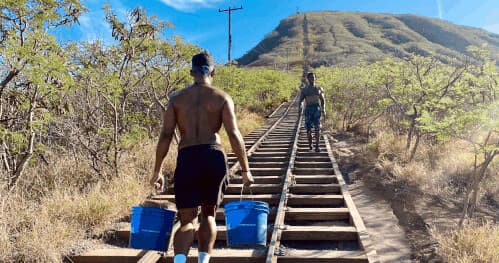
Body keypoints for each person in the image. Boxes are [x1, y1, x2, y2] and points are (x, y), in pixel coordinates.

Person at [151, 51, 254, 263]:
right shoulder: (222, 98)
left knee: (186, 219)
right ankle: (204, 260)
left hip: (187, 156)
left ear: (191, 72)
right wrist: (246, 170)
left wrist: (157, 170)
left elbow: (165, 135)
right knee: (208, 214)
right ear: (213, 71)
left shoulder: (176, 99)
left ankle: (180, 261)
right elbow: (234, 135)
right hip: (212, 155)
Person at [298, 72, 326, 152]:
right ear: (308, 79)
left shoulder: (319, 89)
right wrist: (300, 108)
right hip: (308, 109)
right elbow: (300, 101)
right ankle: (310, 145)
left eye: (313, 77)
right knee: (308, 129)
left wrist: (323, 109)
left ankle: (317, 146)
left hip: (316, 109)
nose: (312, 79)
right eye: (310, 78)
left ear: (315, 78)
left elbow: (323, 100)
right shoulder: (304, 90)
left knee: (318, 128)